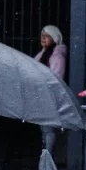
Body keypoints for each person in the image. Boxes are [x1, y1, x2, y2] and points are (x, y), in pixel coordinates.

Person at [35, 25, 68, 153]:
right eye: (42, 35)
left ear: (54, 38)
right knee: (46, 129)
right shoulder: (45, 53)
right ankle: (46, 155)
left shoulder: (57, 56)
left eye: (47, 36)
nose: (43, 38)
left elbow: (56, 78)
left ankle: (48, 155)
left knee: (48, 129)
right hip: (44, 95)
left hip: (49, 96)